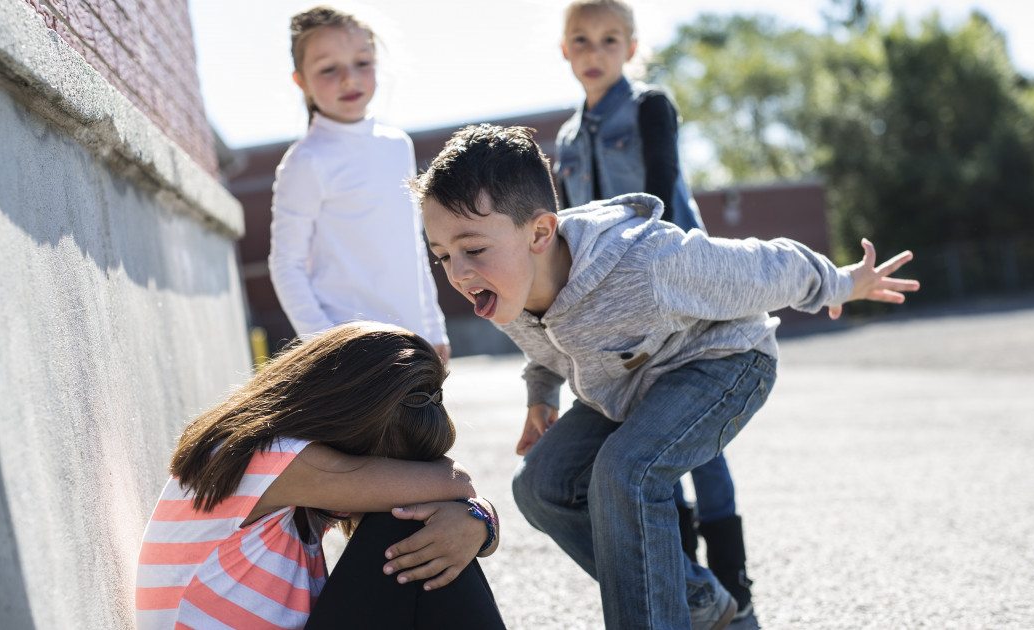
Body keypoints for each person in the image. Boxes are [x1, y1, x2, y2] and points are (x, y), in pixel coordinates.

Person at [412, 124, 918, 630]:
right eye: (442, 256)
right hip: (627, 386)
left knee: (625, 472)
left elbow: (767, 266)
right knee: (540, 486)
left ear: (540, 233)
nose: (457, 272)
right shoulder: (513, 289)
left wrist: (842, 283)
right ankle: (696, 599)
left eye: (473, 249)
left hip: (723, 363)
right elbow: (546, 351)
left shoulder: (647, 263)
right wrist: (540, 396)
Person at [552, 0, 748, 616]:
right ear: (565, 50)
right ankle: (686, 582)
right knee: (646, 435)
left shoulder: (648, 106)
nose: (594, 52)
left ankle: (734, 585)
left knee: (699, 441)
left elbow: (661, 186)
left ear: (631, 48)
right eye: (580, 41)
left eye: (609, 40)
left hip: (678, 291)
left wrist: (649, 263)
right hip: (614, 310)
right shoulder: (565, 136)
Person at [134, 322, 506, 629]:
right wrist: (475, 513)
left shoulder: (290, 473)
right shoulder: (264, 456)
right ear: (351, 425)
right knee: (408, 524)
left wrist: (476, 521)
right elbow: (455, 484)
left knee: (430, 529)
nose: (395, 478)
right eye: (391, 465)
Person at [269, 6, 450, 361]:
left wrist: (433, 328)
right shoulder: (306, 160)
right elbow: (285, 264)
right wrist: (325, 345)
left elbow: (413, 247)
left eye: (362, 62)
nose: (349, 79)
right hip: (351, 355)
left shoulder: (398, 144)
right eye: (328, 69)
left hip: (413, 342)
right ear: (301, 80)